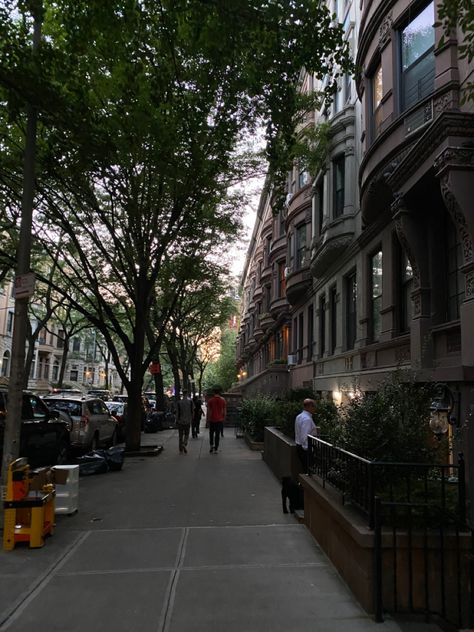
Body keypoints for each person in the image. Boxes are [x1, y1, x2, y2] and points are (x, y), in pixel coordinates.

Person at [294, 398, 317, 473]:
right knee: (308, 470)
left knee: (305, 469)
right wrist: (309, 450)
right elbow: (304, 436)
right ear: (309, 406)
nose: (315, 409)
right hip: (305, 449)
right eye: (314, 406)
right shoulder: (307, 419)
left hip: (299, 446)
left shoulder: (299, 416)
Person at [206, 388, 226, 454]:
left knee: (211, 434)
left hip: (212, 420)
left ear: (214, 393)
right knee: (217, 435)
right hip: (219, 420)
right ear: (219, 393)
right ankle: (216, 448)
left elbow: (208, 411)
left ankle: (211, 446)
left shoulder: (210, 401)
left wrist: (208, 419)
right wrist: (223, 418)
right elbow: (224, 411)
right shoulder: (223, 401)